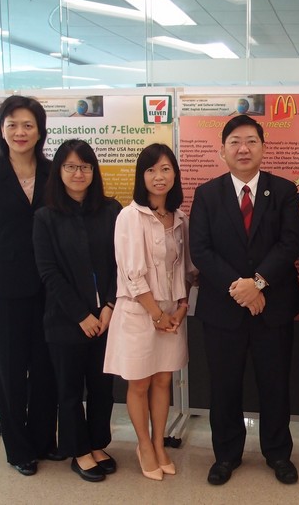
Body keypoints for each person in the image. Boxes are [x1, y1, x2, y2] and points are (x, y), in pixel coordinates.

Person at [189, 114, 299, 486]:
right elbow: (201, 250)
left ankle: (278, 453)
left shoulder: (284, 190)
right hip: (224, 310)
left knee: (275, 385)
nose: (243, 148)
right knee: (223, 385)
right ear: (222, 150)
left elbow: (290, 244)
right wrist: (240, 289)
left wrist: (257, 283)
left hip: (273, 308)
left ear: (263, 148)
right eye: (235, 141)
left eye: (252, 141)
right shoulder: (207, 194)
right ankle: (226, 455)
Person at [0, 95, 61, 475]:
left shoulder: (54, 173)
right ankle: (18, 447)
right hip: (4, 289)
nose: (20, 132)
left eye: (28, 125)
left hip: (50, 287)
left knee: (46, 366)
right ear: (1, 130)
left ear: (40, 131)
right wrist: (1, 269)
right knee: (9, 367)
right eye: (12, 124)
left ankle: (43, 440)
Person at [103, 143, 196, 481]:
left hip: (172, 315)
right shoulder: (130, 216)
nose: (159, 177)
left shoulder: (180, 217)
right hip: (140, 315)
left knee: (163, 380)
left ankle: (159, 443)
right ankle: (143, 444)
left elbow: (186, 270)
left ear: (175, 174)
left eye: (166, 169)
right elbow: (132, 273)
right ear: (141, 176)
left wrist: (183, 307)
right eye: (152, 170)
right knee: (139, 383)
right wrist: (157, 315)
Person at [33, 140, 122, 482]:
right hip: (66, 320)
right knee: (70, 391)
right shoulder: (45, 217)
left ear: (93, 171)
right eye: (70, 166)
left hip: (106, 317)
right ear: (59, 171)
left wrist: (110, 305)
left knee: (102, 388)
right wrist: (81, 315)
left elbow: (120, 263)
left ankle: (98, 443)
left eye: (85, 166)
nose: (78, 173)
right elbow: (48, 272)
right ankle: (78, 450)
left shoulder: (111, 210)